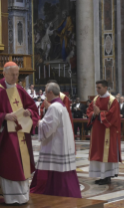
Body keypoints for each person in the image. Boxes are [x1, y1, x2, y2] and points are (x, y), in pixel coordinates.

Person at [30, 83, 81, 198]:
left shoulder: (54, 107)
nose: (44, 95)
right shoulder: (61, 106)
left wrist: (36, 121)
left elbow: (48, 128)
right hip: (61, 145)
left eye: (45, 92)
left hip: (56, 146)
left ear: (50, 92)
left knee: (56, 174)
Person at [0, 61, 39, 205]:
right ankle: (11, 197)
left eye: (17, 74)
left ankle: (22, 196)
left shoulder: (19, 90)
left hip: (21, 134)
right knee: (12, 164)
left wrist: (29, 112)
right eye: (12, 75)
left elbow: (33, 108)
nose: (15, 77)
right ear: (4, 73)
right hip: (6, 136)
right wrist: (4, 116)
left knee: (23, 164)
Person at [86, 80, 121, 185]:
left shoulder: (112, 100)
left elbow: (113, 116)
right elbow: (89, 112)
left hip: (108, 131)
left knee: (106, 152)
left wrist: (100, 114)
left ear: (106, 88)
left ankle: (107, 176)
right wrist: (93, 114)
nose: (97, 89)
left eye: (99, 88)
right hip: (97, 131)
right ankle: (101, 175)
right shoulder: (96, 99)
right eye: (96, 87)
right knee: (98, 152)